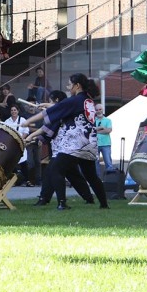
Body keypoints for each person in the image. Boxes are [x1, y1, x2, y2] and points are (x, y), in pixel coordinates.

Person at [24, 73, 108, 210]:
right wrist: (50, 105)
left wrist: (28, 121)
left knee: (56, 169)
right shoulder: (88, 101)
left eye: (70, 84)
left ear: (77, 85)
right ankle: (104, 204)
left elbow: (57, 109)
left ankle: (62, 203)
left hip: (75, 144)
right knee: (91, 176)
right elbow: (61, 108)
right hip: (89, 144)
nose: (68, 87)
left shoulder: (75, 100)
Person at [3, 105, 30, 183]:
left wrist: (20, 139)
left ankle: (27, 180)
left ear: (18, 111)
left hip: (20, 143)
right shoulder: (7, 121)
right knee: (12, 162)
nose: (13, 112)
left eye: (15, 110)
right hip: (11, 144)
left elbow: (26, 131)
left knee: (23, 161)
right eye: (12, 110)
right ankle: (14, 181)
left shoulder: (22, 120)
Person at [94, 104, 114, 174]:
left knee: (108, 163)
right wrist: (102, 128)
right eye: (97, 110)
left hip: (106, 144)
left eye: (100, 109)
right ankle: (97, 180)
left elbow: (108, 131)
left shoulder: (108, 120)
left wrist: (97, 130)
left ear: (102, 110)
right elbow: (91, 130)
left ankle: (110, 180)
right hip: (95, 145)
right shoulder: (93, 121)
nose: (98, 111)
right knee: (95, 163)